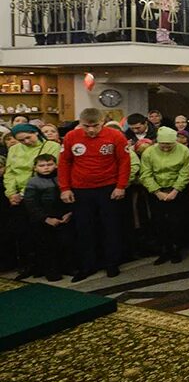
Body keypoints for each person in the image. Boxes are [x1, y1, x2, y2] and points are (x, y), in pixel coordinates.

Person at [59, 107, 131, 280]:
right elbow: (64, 163)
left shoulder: (115, 136)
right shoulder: (71, 137)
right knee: (84, 228)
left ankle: (111, 263)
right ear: (80, 124)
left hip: (108, 188)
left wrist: (121, 186)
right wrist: (65, 188)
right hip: (81, 189)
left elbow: (124, 162)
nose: (91, 130)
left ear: (103, 123)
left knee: (110, 227)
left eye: (95, 126)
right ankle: (87, 265)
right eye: (86, 126)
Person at [5, 123, 62, 279]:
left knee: (45, 234)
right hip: (19, 196)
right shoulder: (14, 149)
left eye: (28, 138)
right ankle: (29, 266)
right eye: (21, 140)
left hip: (43, 192)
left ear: (36, 133)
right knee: (24, 234)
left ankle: (51, 268)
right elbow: (9, 173)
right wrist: (11, 193)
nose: (26, 142)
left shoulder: (51, 146)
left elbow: (50, 170)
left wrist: (25, 193)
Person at [139, 126, 189, 264]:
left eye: (169, 145)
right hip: (156, 191)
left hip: (177, 190)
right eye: (163, 144)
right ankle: (164, 250)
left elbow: (185, 173)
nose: (166, 147)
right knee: (158, 221)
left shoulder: (184, 151)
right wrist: (157, 192)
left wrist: (175, 190)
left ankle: (176, 249)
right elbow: (146, 174)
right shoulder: (149, 152)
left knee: (177, 221)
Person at [22, 153, 71, 282]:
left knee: (65, 243)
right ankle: (51, 272)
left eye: (49, 164)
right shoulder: (33, 182)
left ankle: (67, 267)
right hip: (43, 220)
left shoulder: (63, 178)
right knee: (47, 247)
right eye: (42, 165)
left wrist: (70, 213)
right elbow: (31, 204)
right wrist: (46, 219)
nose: (46, 168)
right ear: (35, 168)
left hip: (63, 216)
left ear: (55, 165)